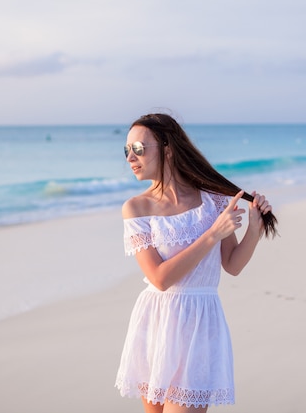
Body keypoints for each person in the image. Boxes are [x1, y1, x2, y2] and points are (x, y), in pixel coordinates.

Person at [115, 113, 277, 413]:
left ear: (168, 148)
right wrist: (213, 234)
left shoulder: (212, 200)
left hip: (200, 323)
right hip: (156, 322)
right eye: (126, 150)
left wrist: (253, 229)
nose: (130, 157)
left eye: (138, 148)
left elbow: (232, 264)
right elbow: (160, 279)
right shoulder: (137, 208)